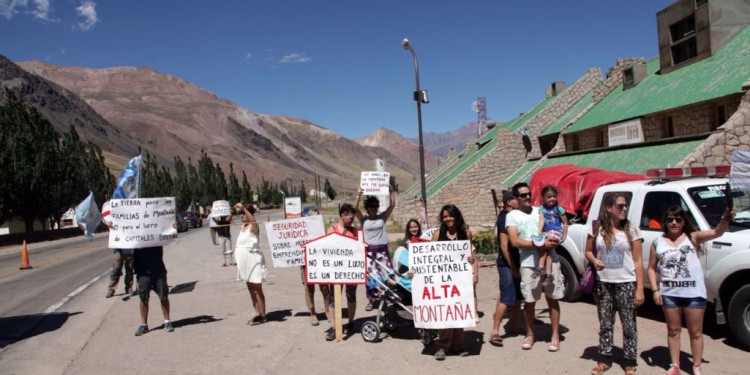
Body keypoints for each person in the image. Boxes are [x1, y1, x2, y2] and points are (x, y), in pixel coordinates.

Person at [647, 205, 734, 375]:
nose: (674, 222)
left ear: (683, 222)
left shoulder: (693, 238)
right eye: (670, 219)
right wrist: (655, 290)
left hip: (694, 293)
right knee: (673, 330)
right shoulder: (657, 243)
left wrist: (725, 217)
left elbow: (717, 232)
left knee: (695, 332)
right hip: (669, 294)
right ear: (665, 222)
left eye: (678, 219)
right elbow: (651, 268)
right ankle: (675, 365)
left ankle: (696, 366)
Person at [585, 193, 644, 375]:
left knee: (628, 324)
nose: (624, 209)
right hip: (604, 284)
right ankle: (604, 358)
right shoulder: (597, 228)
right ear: (609, 208)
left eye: (625, 205)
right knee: (605, 323)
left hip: (626, 283)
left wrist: (640, 288)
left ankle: (629, 361)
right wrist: (594, 260)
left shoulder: (631, 230)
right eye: (620, 206)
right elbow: (588, 251)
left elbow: (638, 260)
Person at [506, 182, 563, 352]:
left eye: (529, 194)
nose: (528, 197)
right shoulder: (513, 216)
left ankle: (555, 335)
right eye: (523, 195)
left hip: (550, 260)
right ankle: (530, 334)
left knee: (553, 298)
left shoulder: (541, 210)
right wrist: (539, 244)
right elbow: (515, 241)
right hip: (529, 264)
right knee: (530, 301)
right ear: (516, 198)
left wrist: (555, 239)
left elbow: (556, 224)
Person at [431, 204, 477, 360]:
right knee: (444, 312)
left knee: (458, 311)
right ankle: (442, 346)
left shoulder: (466, 233)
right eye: (445, 216)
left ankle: (457, 345)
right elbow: (430, 259)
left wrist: (472, 265)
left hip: (461, 280)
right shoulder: (437, 235)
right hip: (442, 280)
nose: (448, 219)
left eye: (450, 216)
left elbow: (471, 255)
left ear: (456, 216)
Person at [489, 190, 523, 346]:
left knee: (518, 296)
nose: (519, 201)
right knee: (507, 296)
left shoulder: (516, 216)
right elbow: (504, 245)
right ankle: (495, 331)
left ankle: (514, 325)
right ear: (510, 202)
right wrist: (513, 266)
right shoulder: (504, 218)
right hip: (507, 263)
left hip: (518, 261)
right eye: (516, 198)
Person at [355, 187, 396, 311]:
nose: (373, 208)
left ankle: (388, 299)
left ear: (377, 207)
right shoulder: (364, 220)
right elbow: (355, 209)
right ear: (367, 207)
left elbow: (392, 205)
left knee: (386, 275)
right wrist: (358, 195)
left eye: (375, 206)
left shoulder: (382, 217)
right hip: (370, 252)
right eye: (371, 206)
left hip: (382, 251)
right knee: (371, 276)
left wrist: (391, 192)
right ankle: (371, 300)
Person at [324, 203, 360, 341]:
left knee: (351, 296)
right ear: (343, 216)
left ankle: (351, 322)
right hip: (335, 270)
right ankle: (334, 327)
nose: (352, 221)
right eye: (350, 218)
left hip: (351, 270)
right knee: (334, 299)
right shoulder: (332, 229)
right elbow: (325, 249)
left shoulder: (355, 231)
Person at [234, 203, 267, 326]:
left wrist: (243, 208)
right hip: (244, 261)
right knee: (250, 288)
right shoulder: (242, 227)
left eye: (244, 214)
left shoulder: (254, 226)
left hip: (254, 259)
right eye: (241, 214)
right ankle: (257, 313)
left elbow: (253, 221)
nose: (242, 216)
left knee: (257, 288)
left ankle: (263, 315)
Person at [133, 245, 174, 336]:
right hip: (142, 271)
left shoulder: (155, 235)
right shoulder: (135, 237)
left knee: (163, 295)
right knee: (143, 298)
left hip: (157, 269)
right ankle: (144, 324)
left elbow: (168, 233)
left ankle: (167, 321)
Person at [300, 208, 331, 326]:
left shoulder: (321, 230)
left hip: (320, 262)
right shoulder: (300, 230)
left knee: (325, 288)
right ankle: (312, 313)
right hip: (306, 262)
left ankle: (327, 311)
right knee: (309, 289)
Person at [534, 185, 567, 287]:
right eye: (549, 197)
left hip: (556, 232)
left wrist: (564, 236)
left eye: (553, 196)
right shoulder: (542, 208)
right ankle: (548, 274)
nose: (552, 199)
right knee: (546, 251)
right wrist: (539, 230)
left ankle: (541, 268)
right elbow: (542, 220)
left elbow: (565, 222)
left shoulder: (559, 209)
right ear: (544, 198)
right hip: (547, 232)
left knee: (545, 247)